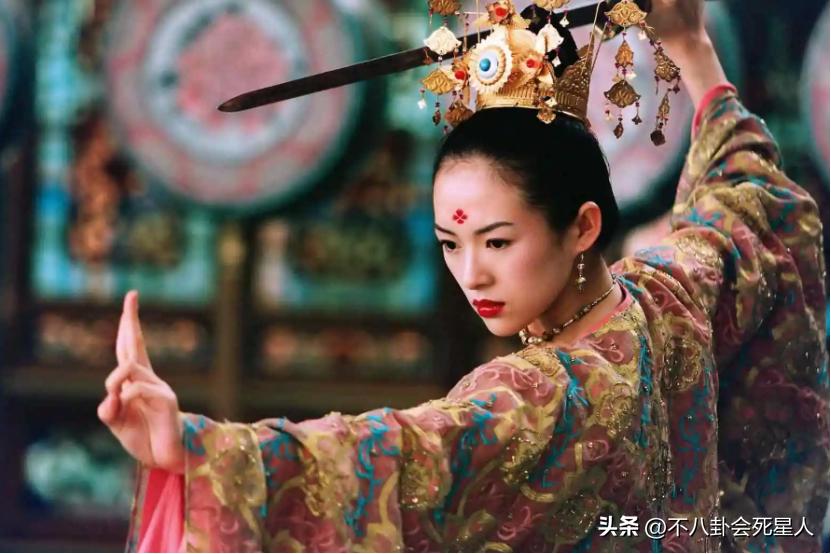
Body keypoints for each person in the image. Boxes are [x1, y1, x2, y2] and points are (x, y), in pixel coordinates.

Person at [98, 0, 828, 551]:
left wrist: (195, 448)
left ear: (582, 226)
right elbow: (744, 201)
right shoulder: (671, 292)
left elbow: (398, 454)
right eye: (451, 244)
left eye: (498, 241)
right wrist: (690, 45)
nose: (472, 274)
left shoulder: (545, 399)